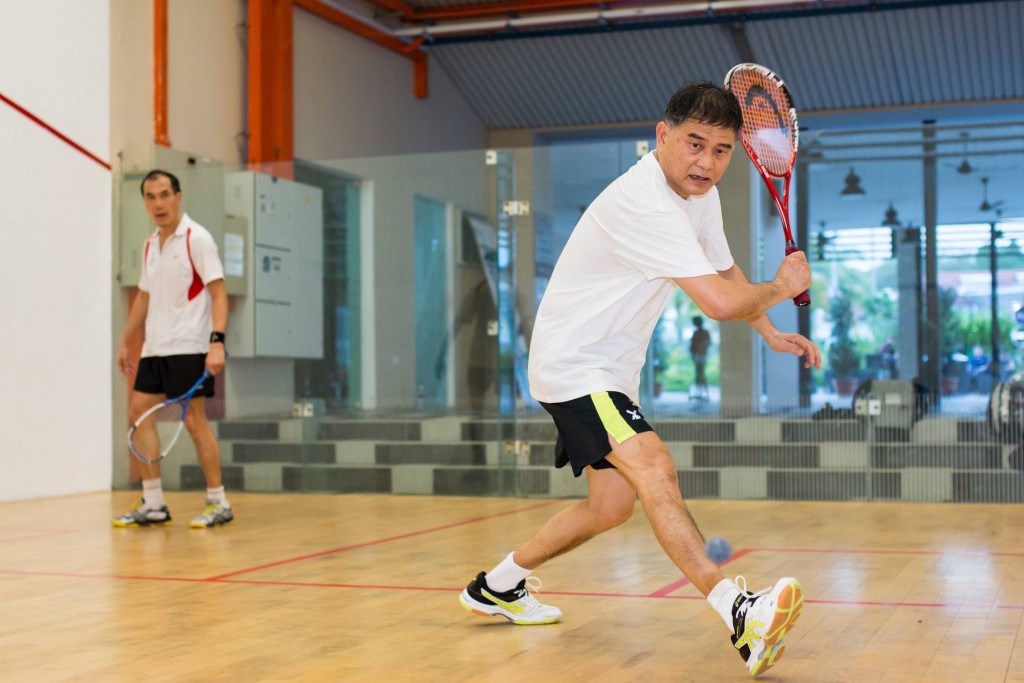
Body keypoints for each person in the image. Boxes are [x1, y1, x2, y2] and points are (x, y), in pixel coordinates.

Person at [458, 82, 821, 677]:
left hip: (605, 370)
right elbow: (717, 303)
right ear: (663, 135)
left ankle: (497, 586)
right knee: (655, 467)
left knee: (610, 507)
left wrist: (770, 329)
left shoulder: (698, 196)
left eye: (722, 150)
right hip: (576, 366)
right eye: (694, 143)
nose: (706, 162)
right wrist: (779, 287)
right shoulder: (645, 202)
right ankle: (738, 611)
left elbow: (724, 271)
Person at [113, 170, 233, 529]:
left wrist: (217, 343)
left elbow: (219, 293)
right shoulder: (151, 244)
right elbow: (145, 296)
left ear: (178, 196)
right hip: (155, 347)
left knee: (195, 421)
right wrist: (126, 339)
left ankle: (218, 501)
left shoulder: (198, 239)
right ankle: (153, 503)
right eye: (151, 197)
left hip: (190, 345)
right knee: (138, 413)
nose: (158, 203)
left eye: (165, 195)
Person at [689, 315, 711, 400]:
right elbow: (692, 345)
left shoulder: (704, 332)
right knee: (698, 374)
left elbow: (708, 343)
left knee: (701, 374)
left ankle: (704, 393)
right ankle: (699, 393)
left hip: (701, 355)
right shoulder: (696, 333)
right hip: (696, 355)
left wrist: (699, 346)